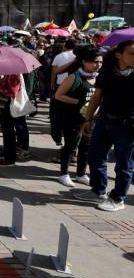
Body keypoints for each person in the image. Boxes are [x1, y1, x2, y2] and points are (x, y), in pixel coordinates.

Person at [75, 40, 134, 212]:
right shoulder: (107, 72)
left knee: (124, 163)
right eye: (131, 53)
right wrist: (88, 119)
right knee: (95, 156)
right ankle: (98, 190)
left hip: (127, 125)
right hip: (104, 120)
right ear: (119, 55)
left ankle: (117, 198)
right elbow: (96, 97)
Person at [54, 45, 101, 187]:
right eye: (95, 62)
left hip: (90, 119)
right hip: (72, 118)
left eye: (100, 62)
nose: (98, 65)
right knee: (71, 146)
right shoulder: (74, 77)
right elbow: (58, 95)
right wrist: (79, 102)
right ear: (84, 62)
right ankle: (64, 174)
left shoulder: (99, 78)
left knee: (86, 147)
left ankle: (81, 174)